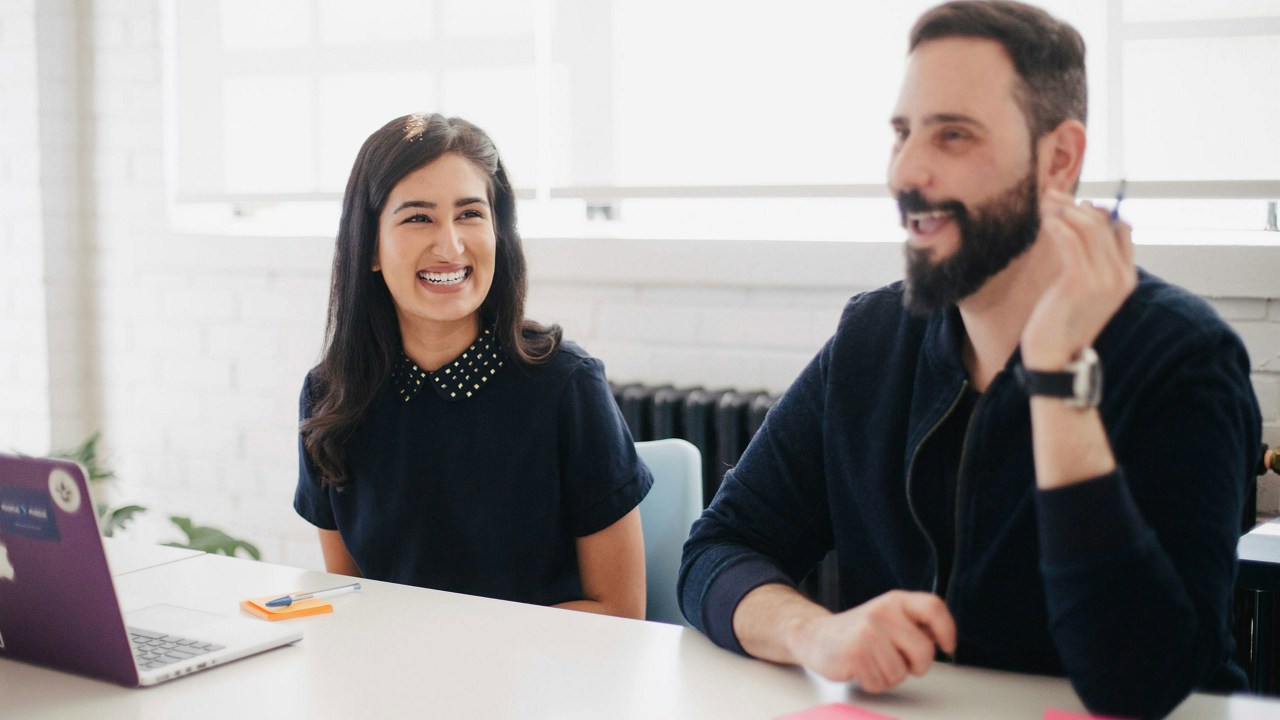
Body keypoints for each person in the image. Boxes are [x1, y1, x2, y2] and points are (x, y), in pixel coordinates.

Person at [678, 2, 1260, 717]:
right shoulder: (873, 337)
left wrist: (1058, 379)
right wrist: (815, 633)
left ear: (1058, 159)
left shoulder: (1185, 359)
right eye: (902, 133)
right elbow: (716, 552)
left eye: (953, 135)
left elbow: (1141, 684)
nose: (907, 171)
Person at [295, 113, 651, 619]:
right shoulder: (331, 394)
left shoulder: (565, 385)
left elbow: (620, 610)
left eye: (469, 214)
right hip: (395, 678)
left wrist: (457, 653)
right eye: (418, 217)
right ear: (370, 246)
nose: (450, 246)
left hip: (548, 682)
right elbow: (352, 597)